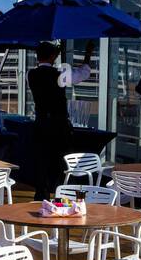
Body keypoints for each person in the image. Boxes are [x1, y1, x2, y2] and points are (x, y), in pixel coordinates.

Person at [28, 40, 93, 198]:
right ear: (52, 56)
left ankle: (41, 193)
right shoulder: (59, 75)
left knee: (42, 159)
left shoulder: (32, 74)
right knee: (59, 160)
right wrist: (87, 56)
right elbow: (82, 75)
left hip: (41, 123)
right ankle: (57, 192)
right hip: (58, 125)